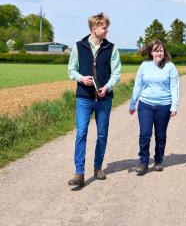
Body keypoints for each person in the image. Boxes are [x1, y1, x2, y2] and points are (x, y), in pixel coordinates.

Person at [67, 12, 121, 187]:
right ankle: (79, 173)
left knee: (102, 134)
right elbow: (71, 70)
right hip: (84, 97)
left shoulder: (112, 48)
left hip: (104, 99)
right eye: (104, 27)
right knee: (81, 132)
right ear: (94, 28)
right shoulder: (78, 46)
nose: (107, 31)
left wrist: (107, 87)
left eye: (107, 27)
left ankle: (98, 167)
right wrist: (82, 79)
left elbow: (117, 73)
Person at [129, 40, 179, 175]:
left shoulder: (170, 67)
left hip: (164, 105)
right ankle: (143, 162)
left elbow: (174, 87)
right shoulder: (144, 66)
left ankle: (158, 160)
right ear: (151, 52)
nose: (159, 53)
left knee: (160, 135)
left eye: (161, 50)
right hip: (145, 105)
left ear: (164, 52)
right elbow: (138, 85)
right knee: (145, 134)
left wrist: (174, 105)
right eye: (156, 50)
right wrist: (132, 102)